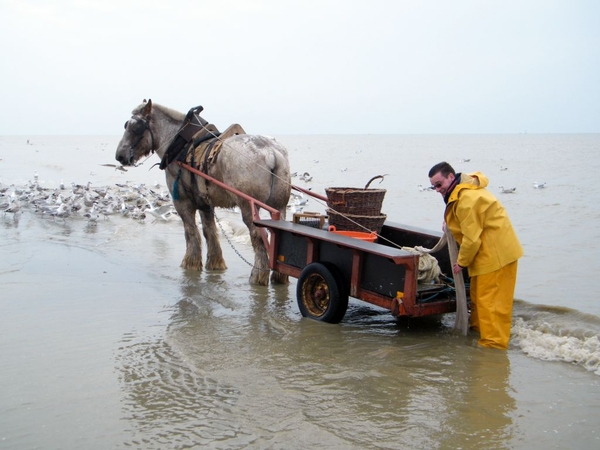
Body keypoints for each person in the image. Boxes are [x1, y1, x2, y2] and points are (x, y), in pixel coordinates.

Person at [428, 162, 523, 349]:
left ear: (450, 177)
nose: (437, 190)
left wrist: (460, 263)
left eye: (439, 184)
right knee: (479, 301)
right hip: (485, 257)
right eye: (434, 187)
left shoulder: (467, 200)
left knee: (492, 306)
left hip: (496, 257)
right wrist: (449, 221)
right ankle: (477, 336)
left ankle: (493, 350)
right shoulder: (462, 189)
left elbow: (472, 240)